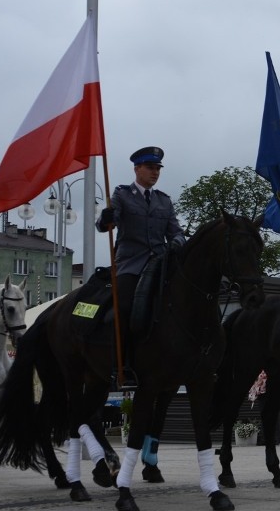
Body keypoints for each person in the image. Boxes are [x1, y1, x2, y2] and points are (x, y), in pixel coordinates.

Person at [96, 146, 185, 389]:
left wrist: (175, 244)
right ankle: (120, 365)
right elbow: (105, 225)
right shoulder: (122, 195)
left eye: (157, 168)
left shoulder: (164, 201)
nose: (155, 173)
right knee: (123, 307)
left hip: (160, 263)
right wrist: (106, 218)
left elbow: (176, 232)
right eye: (150, 168)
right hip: (131, 264)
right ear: (137, 169)